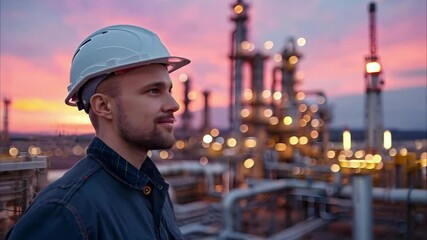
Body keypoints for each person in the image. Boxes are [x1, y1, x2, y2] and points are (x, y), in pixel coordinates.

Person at [6, 24, 191, 240]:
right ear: (103, 106)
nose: (174, 104)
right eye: (153, 91)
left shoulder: (151, 190)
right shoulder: (65, 212)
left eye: (169, 91)